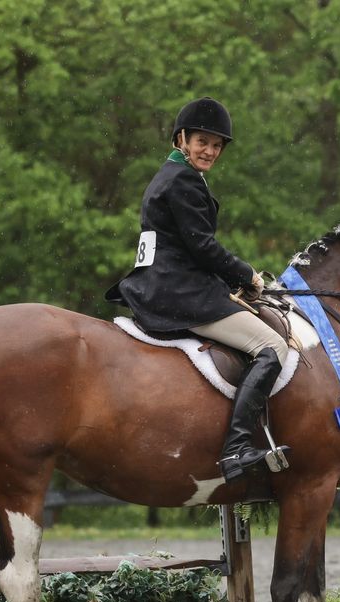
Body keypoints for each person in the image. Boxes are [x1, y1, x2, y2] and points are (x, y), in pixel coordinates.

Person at [106, 97, 289, 482]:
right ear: (181, 139)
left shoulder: (171, 176)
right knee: (272, 347)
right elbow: (202, 246)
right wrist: (248, 276)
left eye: (217, 145)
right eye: (202, 142)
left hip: (163, 284)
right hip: (178, 293)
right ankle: (237, 448)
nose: (210, 151)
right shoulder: (183, 180)